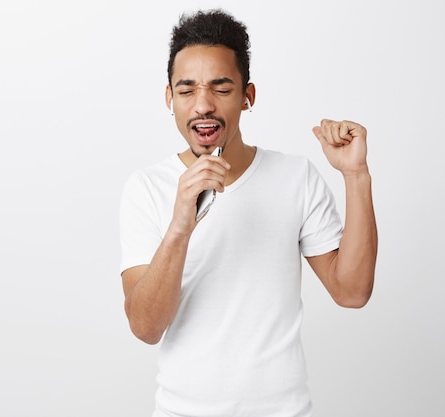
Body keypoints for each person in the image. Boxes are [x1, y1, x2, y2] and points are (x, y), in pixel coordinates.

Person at [118, 8, 377, 417]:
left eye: (221, 88)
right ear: (169, 98)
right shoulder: (146, 188)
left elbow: (352, 292)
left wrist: (355, 175)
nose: (202, 105)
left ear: (247, 96)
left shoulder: (296, 177)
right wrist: (180, 226)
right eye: (186, 90)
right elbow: (145, 327)